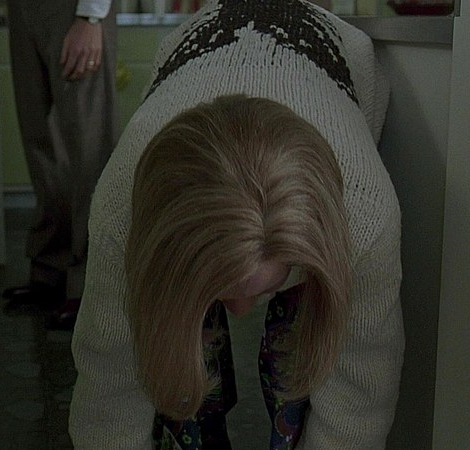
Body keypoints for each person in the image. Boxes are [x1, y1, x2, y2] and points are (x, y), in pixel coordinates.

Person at [70, 0, 404, 448]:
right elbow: (108, 387)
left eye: (258, 289)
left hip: (337, 64)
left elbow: (360, 393)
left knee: (308, 347)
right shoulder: (122, 206)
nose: (241, 311)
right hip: (192, 51)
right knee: (170, 346)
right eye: (226, 290)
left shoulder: (364, 212)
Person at [3, 0, 117, 326]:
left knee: (88, 147)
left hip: (74, 10)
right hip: (25, 9)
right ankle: (51, 268)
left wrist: (91, 16)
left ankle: (89, 284)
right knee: (41, 140)